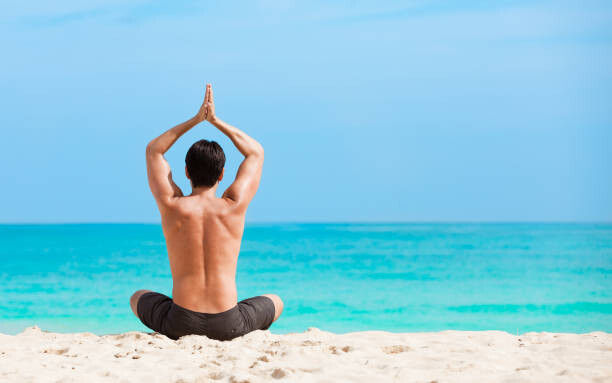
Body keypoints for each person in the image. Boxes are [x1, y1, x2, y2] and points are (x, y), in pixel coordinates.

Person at [129, 84, 283, 341]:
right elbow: (255, 152)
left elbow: (154, 150)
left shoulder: (172, 204)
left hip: (180, 322)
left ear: (186, 172)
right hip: (228, 324)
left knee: (137, 297)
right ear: (222, 175)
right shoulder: (233, 205)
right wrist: (215, 121)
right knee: (276, 301)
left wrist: (195, 120)